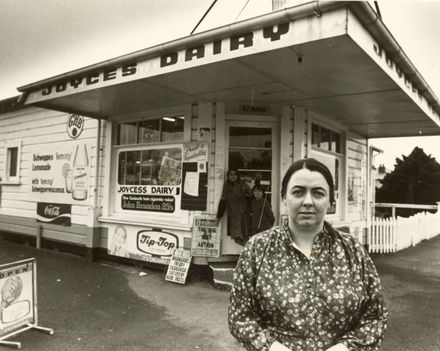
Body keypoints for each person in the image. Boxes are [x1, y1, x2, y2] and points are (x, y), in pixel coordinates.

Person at [228, 158, 388, 351]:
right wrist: (272, 347)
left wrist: (345, 348)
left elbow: (375, 317)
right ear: (284, 197)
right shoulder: (257, 249)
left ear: (330, 201)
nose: (308, 201)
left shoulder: (353, 251)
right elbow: (240, 317)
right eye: (298, 192)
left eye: (318, 193)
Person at [217, 169, 250, 245]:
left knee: (245, 235)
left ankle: (248, 253)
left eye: (235, 174)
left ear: (237, 175)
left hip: (243, 214)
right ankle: (248, 250)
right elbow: (223, 200)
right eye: (230, 174)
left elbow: (252, 194)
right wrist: (219, 216)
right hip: (233, 215)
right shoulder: (226, 185)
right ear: (228, 176)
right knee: (236, 237)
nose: (233, 176)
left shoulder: (243, 184)